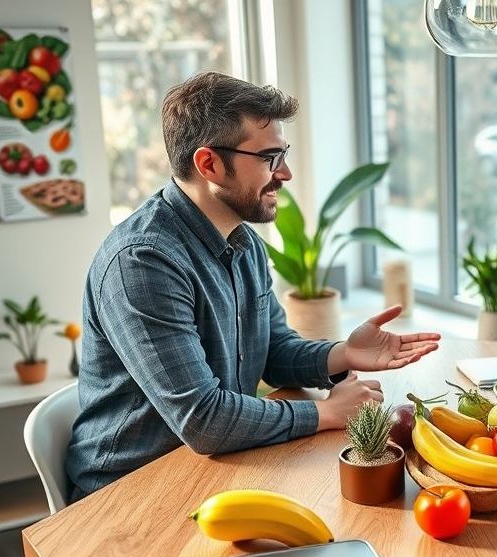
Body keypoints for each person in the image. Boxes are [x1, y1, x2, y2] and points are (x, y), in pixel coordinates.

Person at [65, 72, 440, 501]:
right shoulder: (142, 262)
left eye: (283, 154)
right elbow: (203, 420)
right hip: (127, 494)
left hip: (215, 470)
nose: (286, 173)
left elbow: (272, 350)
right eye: (269, 158)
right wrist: (327, 413)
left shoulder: (243, 244)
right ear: (209, 165)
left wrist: (344, 353)